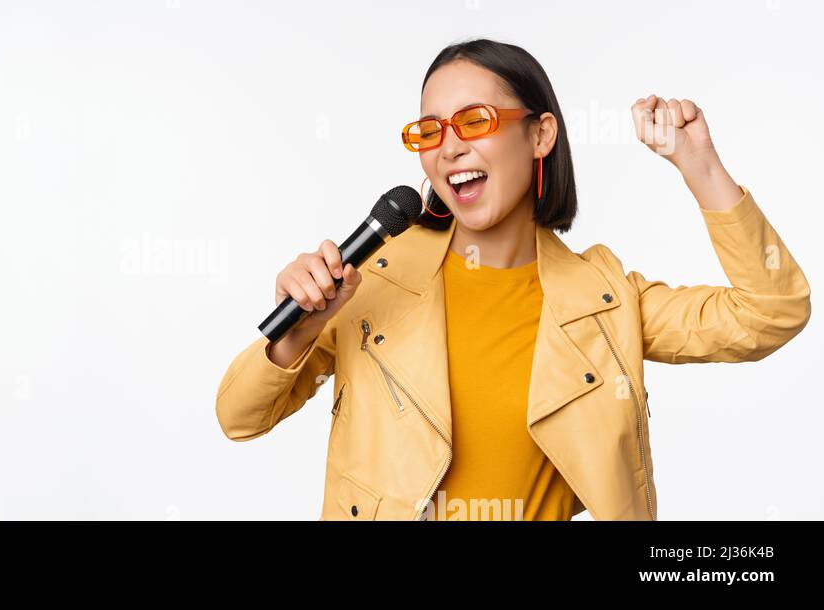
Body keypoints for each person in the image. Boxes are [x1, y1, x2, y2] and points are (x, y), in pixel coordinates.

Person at [214, 38, 810, 521]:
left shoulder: (604, 301)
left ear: (540, 135)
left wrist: (699, 165)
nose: (448, 148)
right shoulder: (369, 280)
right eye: (430, 130)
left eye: (474, 120)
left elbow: (772, 310)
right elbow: (239, 418)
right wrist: (298, 330)